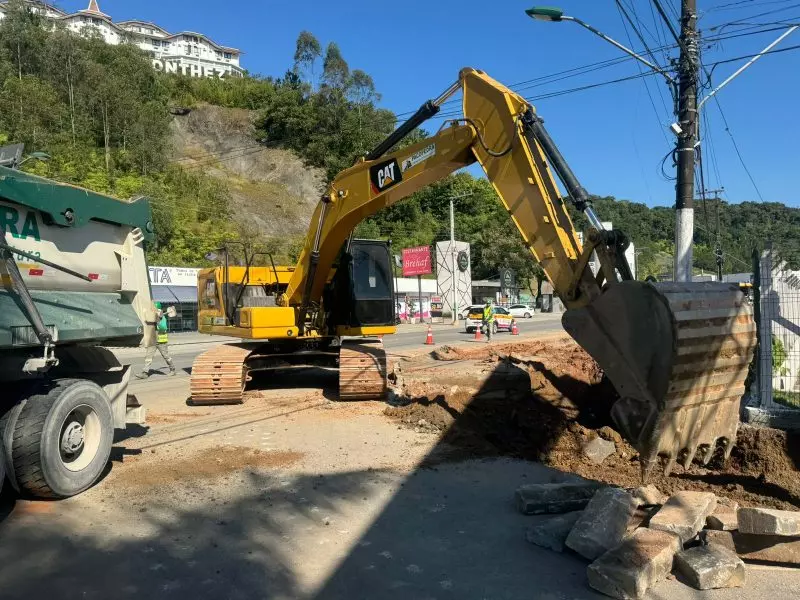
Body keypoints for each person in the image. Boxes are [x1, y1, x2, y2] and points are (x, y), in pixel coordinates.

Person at [136, 301, 176, 378]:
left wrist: (158, 322)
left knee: (166, 356)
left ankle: (172, 369)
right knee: (148, 357)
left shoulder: (162, 318)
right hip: (153, 340)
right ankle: (145, 373)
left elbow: (163, 328)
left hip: (161, 341)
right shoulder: (152, 317)